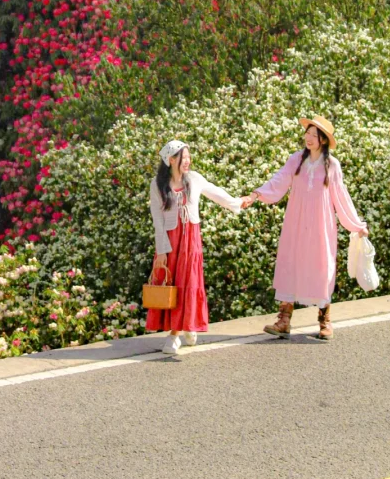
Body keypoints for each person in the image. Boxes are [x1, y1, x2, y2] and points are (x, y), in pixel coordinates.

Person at [240, 116, 368, 342]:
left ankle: (324, 319)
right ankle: (284, 320)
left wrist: (356, 225)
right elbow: (278, 181)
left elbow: (341, 197)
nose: (308, 138)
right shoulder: (296, 160)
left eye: (314, 135)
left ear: (324, 140)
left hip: (321, 224)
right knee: (291, 263)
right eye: (307, 133)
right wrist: (256, 195)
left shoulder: (332, 165)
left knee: (322, 265)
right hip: (296, 222)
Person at [148, 139, 243, 355]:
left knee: (189, 282)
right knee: (174, 285)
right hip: (171, 240)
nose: (188, 161)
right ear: (171, 160)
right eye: (184, 157)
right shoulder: (157, 185)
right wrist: (161, 251)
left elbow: (216, 193)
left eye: (189, 157)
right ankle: (178, 331)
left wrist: (238, 202)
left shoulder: (194, 179)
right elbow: (157, 219)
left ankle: (180, 331)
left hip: (191, 238)